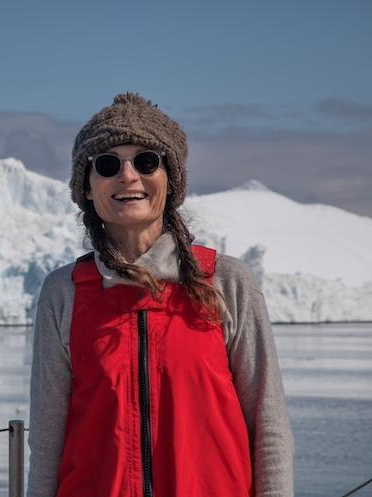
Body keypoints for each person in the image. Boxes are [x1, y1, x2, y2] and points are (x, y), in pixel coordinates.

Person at [27, 93, 294, 497]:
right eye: (108, 164)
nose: (128, 176)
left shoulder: (226, 282)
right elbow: (47, 439)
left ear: (170, 180)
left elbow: (268, 425)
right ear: (88, 185)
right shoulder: (64, 292)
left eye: (147, 161)